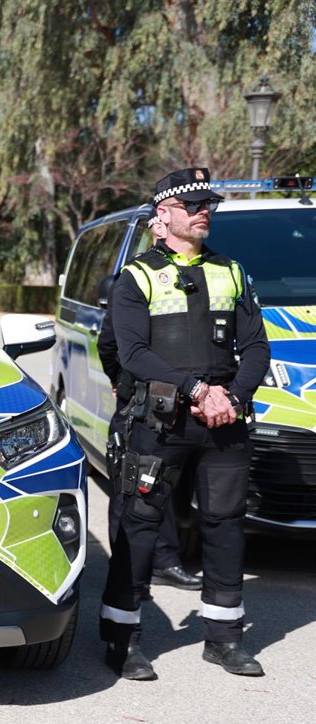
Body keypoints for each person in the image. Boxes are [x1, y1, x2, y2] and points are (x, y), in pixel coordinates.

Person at [100, 167, 270, 681]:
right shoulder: (137, 276)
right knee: (140, 526)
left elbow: (256, 347)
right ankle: (122, 639)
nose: (203, 213)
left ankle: (224, 638)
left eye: (207, 205)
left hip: (223, 419)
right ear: (163, 214)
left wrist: (231, 398)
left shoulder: (232, 271)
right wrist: (196, 390)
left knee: (225, 524)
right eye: (191, 206)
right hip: (160, 421)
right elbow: (132, 352)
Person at [98, 216, 200, 594]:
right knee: (131, 483)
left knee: (160, 484)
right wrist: (121, 384)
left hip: (179, 400)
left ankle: (162, 562)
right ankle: (129, 571)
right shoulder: (136, 278)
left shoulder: (201, 275)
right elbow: (110, 344)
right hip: (141, 400)